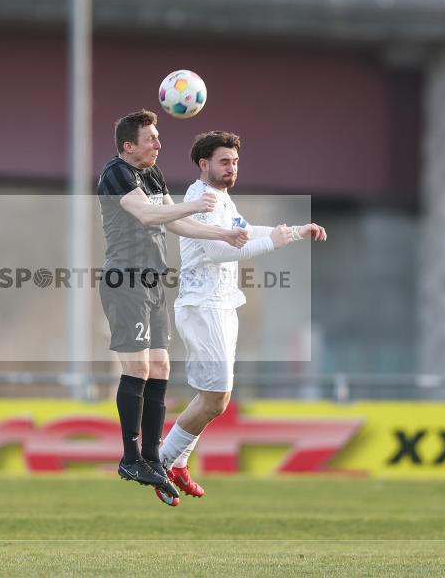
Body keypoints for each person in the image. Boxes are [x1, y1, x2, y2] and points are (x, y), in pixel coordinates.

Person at [157, 131, 327, 504]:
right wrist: (272, 243)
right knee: (216, 397)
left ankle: (177, 462)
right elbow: (218, 251)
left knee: (216, 397)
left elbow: (245, 233)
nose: (231, 168)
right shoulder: (199, 199)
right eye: (224, 161)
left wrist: (295, 232)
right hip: (204, 305)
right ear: (204, 164)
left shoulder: (223, 198)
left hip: (222, 304)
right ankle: (163, 462)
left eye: (234, 161)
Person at [96, 110, 249, 503]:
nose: (159, 144)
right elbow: (149, 213)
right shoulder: (116, 173)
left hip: (151, 281)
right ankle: (130, 457)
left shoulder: (153, 175)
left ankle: (152, 457)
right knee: (139, 368)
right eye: (151, 138)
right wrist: (192, 207)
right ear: (129, 146)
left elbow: (174, 224)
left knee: (161, 367)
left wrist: (222, 232)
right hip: (124, 280)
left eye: (158, 137)